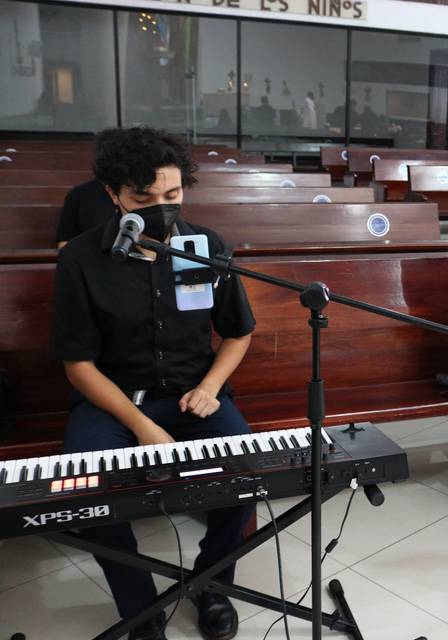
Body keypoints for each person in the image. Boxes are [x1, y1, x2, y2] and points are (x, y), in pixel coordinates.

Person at [51, 126, 256, 640]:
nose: (161, 209)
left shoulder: (206, 246)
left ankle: (212, 583)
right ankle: (140, 607)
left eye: (172, 195)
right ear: (112, 196)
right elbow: (78, 364)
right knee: (90, 492)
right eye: (143, 199)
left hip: (193, 395)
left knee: (247, 472)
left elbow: (237, 333)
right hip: (113, 403)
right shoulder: (81, 258)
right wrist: (141, 425)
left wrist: (211, 386)